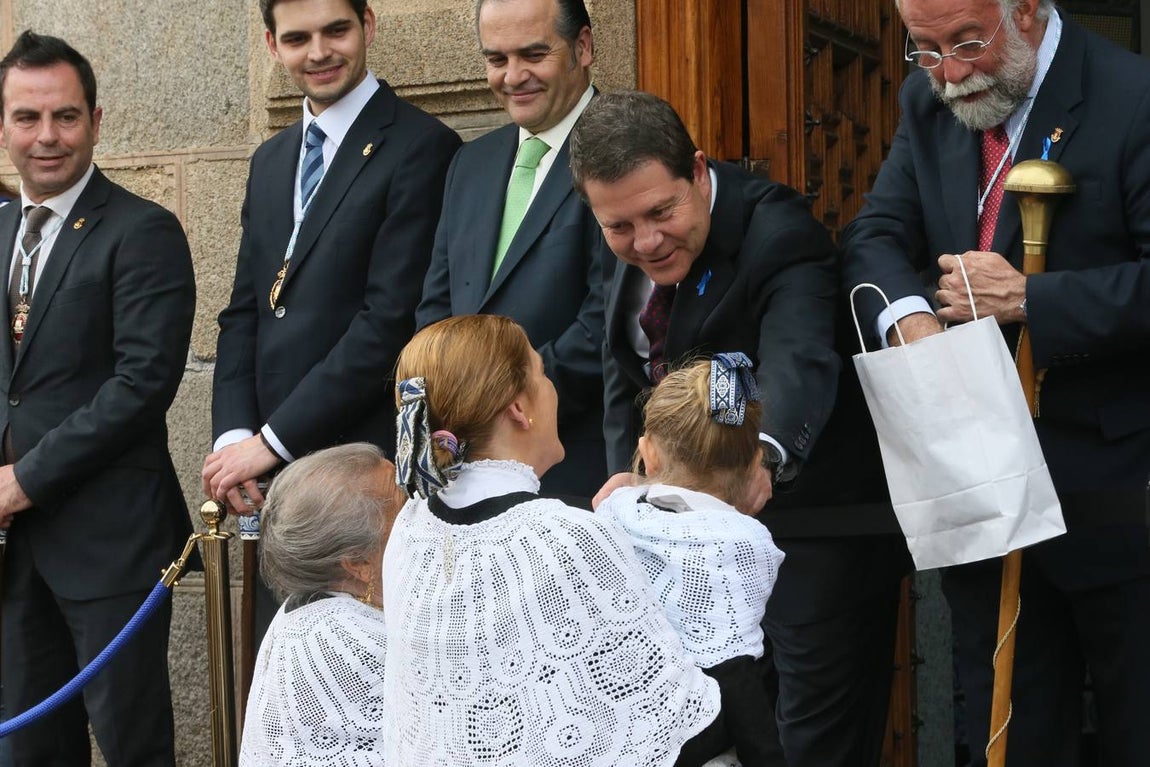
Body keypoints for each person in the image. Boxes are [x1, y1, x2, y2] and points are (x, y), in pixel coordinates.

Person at [840, 0, 1150, 764]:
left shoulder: (1131, 98)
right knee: (1004, 732)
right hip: (979, 482)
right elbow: (875, 235)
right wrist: (911, 321)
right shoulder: (928, 101)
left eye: (967, 43)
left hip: (1115, 489)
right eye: (925, 49)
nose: (949, 72)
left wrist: (1032, 301)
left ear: (1028, 14)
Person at [571, 90, 910, 767]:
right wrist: (631, 482)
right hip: (682, 548)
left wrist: (759, 460)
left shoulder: (778, 231)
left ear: (697, 171)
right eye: (620, 226)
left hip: (810, 534)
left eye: (661, 213)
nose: (644, 242)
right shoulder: (629, 230)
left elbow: (797, 361)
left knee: (809, 740)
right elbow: (626, 381)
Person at [203, 0, 460, 637]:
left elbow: (387, 323)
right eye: (297, 38)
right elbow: (244, 312)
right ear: (272, 45)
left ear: (368, 26)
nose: (318, 52)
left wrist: (269, 443)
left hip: (360, 472)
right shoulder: (270, 161)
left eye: (335, 30)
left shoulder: (423, 147)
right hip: (269, 483)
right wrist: (234, 438)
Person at [383, 314, 724, 767]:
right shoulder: (560, 537)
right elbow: (677, 724)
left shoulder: (412, 522)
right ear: (519, 409)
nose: (551, 389)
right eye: (542, 374)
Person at [0, 31, 195, 765]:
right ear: (2, 126)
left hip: (110, 548)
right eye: (27, 117)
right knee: (27, 749)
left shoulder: (142, 231)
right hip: (14, 554)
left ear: (97, 120)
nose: (47, 136)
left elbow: (142, 385)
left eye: (66, 116)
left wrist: (23, 480)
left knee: (131, 745)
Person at [415, 0, 608, 500]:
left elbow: (608, 318)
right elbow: (438, 307)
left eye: (533, 54)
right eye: (497, 59)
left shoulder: (624, 148)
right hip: (464, 472)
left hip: (574, 468)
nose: (513, 76)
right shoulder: (470, 162)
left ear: (582, 47)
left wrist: (500, 402)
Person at [596, 354, 786, 767]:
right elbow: (735, 675)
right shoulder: (737, 543)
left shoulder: (615, 512)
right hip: (695, 745)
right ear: (755, 464)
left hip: (612, 732)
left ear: (649, 454)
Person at [240, 442, 403, 766]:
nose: (419, 518)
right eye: (403, 508)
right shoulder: (346, 639)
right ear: (358, 562)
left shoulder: (319, 607)